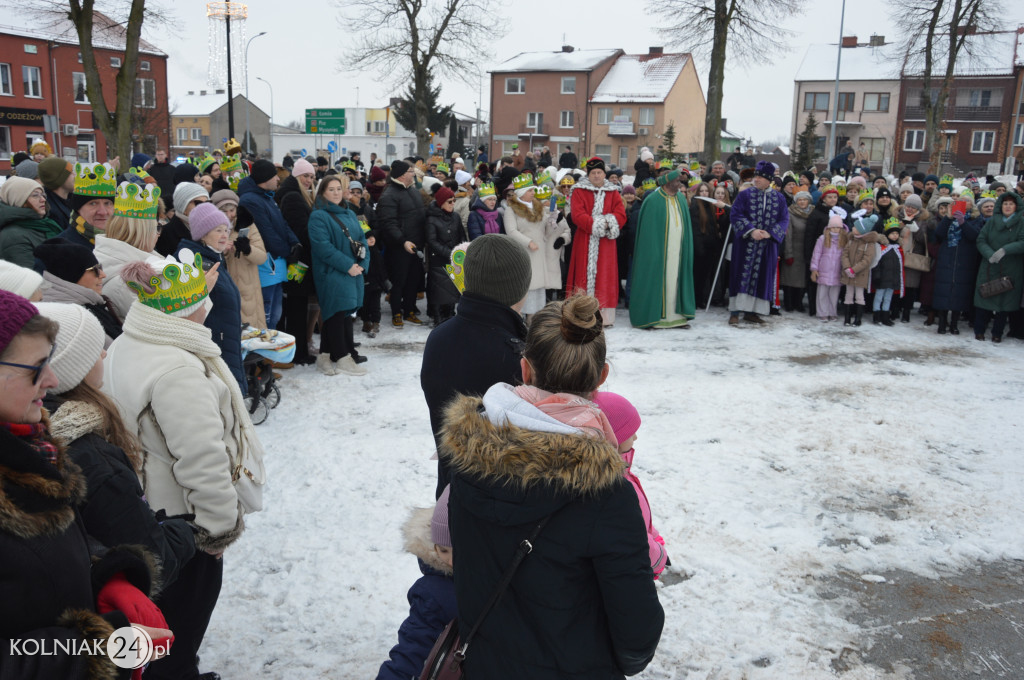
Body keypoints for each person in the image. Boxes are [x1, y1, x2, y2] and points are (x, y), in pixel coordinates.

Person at [440, 294, 664, 679]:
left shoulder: (468, 456)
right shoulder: (606, 494)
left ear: (525, 370)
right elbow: (636, 634)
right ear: (601, 377)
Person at [107, 251, 265, 680]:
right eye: (202, 299)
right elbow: (201, 458)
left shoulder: (133, 340)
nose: (208, 304)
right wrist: (215, 530)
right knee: (181, 624)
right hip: (183, 520)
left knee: (164, 627)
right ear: (189, 308)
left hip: (150, 509)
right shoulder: (178, 369)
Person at [0, 290, 172, 679]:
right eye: (36, 367)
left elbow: (45, 550)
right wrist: (100, 648)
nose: (53, 379)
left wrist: (106, 575)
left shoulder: (33, 446)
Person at [38, 301, 197, 588]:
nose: (103, 352)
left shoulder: (38, 429)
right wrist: (185, 532)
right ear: (73, 368)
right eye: (92, 350)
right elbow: (153, 559)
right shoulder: (94, 460)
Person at [421, 234, 531, 499]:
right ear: (519, 286)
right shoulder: (515, 353)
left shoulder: (439, 336)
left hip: (451, 491)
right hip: (503, 505)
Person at [375, 486, 457, 680]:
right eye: (443, 550)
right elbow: (414, 645)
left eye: (457, 550)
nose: (451, 560)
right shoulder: (433, 591)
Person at [591, 391, 668, 579]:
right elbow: (635, 536)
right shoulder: (616, 486)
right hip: (636, 567)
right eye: (630, 431)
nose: (635, 438)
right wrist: (659, 557)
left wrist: (654, 535)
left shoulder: (617, 470)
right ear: (611, 435)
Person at [176, 203, 246, 393]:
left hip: (225, 338)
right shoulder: (195, 263)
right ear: (203, 233)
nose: (225, 235)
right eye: (218, 230)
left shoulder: (213, 258)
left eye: (226, 230)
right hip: (215, 341)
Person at [308, 174, 371, 376]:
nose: (336, 193)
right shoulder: (318, 216)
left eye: (338, 189)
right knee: (336, 312)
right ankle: (343, 358)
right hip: (331, 271)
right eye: (330, 190)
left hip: (352, 270)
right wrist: (348, 266)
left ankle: (325, 356)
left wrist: (362, 264)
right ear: (322, 193)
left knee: (342, 313)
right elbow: (322, 247)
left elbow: (362, 240)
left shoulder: (350, 213)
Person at [238, 159, 302, 329]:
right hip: (267, 265)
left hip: (276, 264)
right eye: (274, 176)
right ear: (265, 178)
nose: (278, 179)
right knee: (266, 315)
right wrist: (287, 251)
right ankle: (263, 353)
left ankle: (270, 352)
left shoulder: (267, 197)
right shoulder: (250, 200)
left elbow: (282, 224)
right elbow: (266, 234)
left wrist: (295, 242)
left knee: (275, 314)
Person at [630, 169, 695, 328]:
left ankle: (676, 316)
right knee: (659, 280)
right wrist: (653, 252)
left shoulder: (680, 197)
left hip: (678, 249)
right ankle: (655, 317)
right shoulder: (653, 200)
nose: (680, 184)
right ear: (668, 183)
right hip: (659, 251)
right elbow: (648, 234)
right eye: (677, 181)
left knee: (676, 281)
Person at [727, 161, 789, 325]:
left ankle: (752, 312)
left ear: (769, 179)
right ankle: (735, 311)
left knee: (762, 276)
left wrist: (770, 233)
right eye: (756, 176)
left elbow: (784, 219)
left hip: (767, 246)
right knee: (740, 275)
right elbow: (735, 214)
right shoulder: (744, 195)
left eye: (760, 177)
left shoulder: (779, 198)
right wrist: (751, 231)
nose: (757, 179)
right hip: (745, 244)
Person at [567, 157, 625, 325]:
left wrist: (608, 223)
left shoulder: (613, 191)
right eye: (593, 173)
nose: (596, 176)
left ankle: (605, 317)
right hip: (585, 238)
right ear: (588, 174)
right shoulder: (578, 190)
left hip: (606, 242)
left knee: (605, 275)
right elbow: (577, 215)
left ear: (604, 174)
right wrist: (597, 224)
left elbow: (620, 214)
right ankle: (582, 314)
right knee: (583, 275)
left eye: (599, 172)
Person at [504, 175, 569, 321]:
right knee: (525, 288)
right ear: (521, 193)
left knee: (537, 290)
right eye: (530, 190)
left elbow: (546, 231)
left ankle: (533, 322)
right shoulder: (511, 210)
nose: (533, 193)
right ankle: (519, 322)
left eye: (533, 190)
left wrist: (554, 221)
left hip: (538, 254)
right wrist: (528, 242)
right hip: (523, 253)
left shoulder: (538, 207)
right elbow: (511, 231)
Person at [95, 178, 163, 319]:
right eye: (157, 228)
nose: (158, 234)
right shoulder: (124, 284)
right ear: (141, 232)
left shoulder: (112, 260)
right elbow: (165, 324)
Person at [35, 238, 122, 345]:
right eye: (95, 269)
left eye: (100, 267)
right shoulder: (73, 317)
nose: (103, 275)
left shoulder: (88, 304)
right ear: (72, 275)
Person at [275, 158, 318, 365]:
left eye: (311, 176)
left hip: (298, 260)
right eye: (305, 176)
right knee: (296, 307)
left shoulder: (295, 194)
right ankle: (297, 352)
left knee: (296, 306)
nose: (309, 180)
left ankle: (298, 350)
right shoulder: (293, 197)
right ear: (296, 176)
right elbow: (300, 231)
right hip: (297, 262)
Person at [376, 159, 427, 327]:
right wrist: (403, 241)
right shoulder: (389, 195)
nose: (415, 174)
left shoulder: (412, 190)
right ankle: (396, 312)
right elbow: (389, 223)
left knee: (414, 279)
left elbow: (420, 214)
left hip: (416, 244)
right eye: (412, 171)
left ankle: (409, 310)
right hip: (399, 247)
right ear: (404, 175)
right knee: (399, 281)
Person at [212, 189, 268, 330]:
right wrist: (222, 252)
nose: (230, 215)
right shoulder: (211, 229)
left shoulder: (247, 224)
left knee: (253, 335)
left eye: (232, 210)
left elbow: (262, 257)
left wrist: (248, 249)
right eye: (225, 211)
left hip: (249, 290)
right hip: (226, 289)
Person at [973, 192, 1024, 342]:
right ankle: (979, 330)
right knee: (985, 295)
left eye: (1011, 204)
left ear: (1016, 206)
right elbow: (981, 240)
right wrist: (989, 254)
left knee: (1005, 299)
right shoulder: (991, 221)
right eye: (1005, 203)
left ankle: (997, 333)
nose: (1008, 206)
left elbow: (1023, 241)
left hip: (1011, 266)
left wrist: (1005, 250)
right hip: (990, 264)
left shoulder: (1021, 222)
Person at [425, 186, 469, 326]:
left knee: (453, 288)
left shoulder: (455, 216)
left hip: (455, 259)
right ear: (441, 202)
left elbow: (461, 234)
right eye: (449, 201)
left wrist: (461, 250)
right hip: (439, 259)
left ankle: (450, 314)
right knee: (438, 290)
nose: (452, 204)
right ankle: (437, 316)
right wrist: (449, 253)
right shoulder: (431, 219)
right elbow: (432, 241)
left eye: (454, 201)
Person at [0, 176, 64, 268]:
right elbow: (31, 277)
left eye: (43, 195)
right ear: (18, 200)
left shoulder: (46, 224)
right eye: (35, 195)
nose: (43, 200)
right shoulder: (13, 236)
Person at [61, 162, 118, 250]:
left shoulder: (122, 243)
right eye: (93, 203)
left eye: (107, 203)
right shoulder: (59, 249)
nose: (103, 212)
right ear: (78, 208)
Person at [841, 214, 882, 326]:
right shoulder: (851, 240)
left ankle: (858, 319)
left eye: (855, 227)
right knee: (848, 295)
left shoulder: (869, 244)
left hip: (860, 274)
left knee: (859, 296)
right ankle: (847, 318)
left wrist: (854, 270)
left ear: (861, 230)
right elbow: (844, 254)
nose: (853, 228)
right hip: (848, 273)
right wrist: (847, 268)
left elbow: (866, 260)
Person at [809, 212, 848, 321]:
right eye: (833, 227)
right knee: (822, 294)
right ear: (829, 227)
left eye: (838, 227)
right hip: (824, 270)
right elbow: (816, 254)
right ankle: (822, 312)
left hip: (837, 271)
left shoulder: (844, 240)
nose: (835, 229)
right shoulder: (822, 239)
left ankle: (832, 312)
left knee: (834, 295)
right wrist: (814, 269)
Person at [155, 181, 209, 256]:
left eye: (207, 203)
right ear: (183, 205)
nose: (204, 208)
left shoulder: (211, 230)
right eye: (198, 203)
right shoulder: (165, 234)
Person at [782, 190, 812, 312]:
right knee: (789, 279)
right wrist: (788, 253)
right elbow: (787, 236)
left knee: (801, 280)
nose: (802, 202)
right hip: (792, 250)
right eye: (799, 200)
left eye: (804, 199)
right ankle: (789, 303)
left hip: (804, 252)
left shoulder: (812, 213)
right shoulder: (790, 213)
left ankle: (798, 303)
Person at [872, 218, 906, 326]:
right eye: (892, 233)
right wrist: (876, 276)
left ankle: (885, 316)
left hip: (892, 280)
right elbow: (876, 263)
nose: (895, 236)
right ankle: (876, 315)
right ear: (887, 234)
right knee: (879, 297)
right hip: (881, 279)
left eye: (897, 233)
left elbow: (899, 267)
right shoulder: (882, 248)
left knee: (888, 298)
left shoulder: (898, 248)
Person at [38, 156, 76, 229]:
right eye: (70, 172)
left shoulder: (71, 199)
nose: (74, 175)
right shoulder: (50, 211)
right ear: (60, 178)